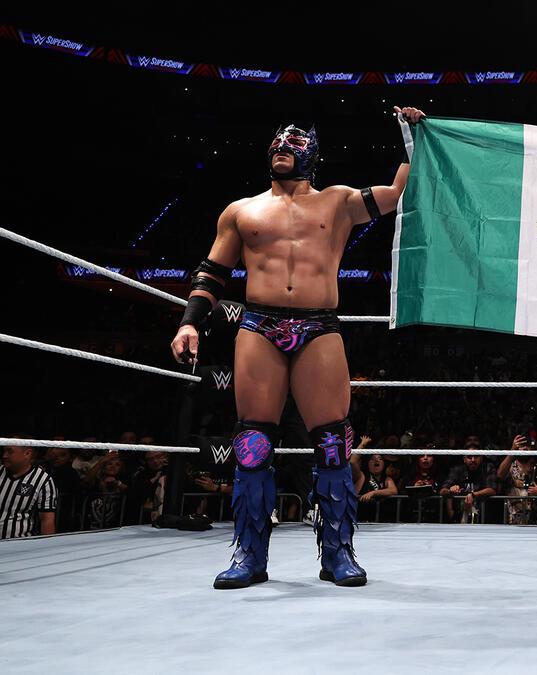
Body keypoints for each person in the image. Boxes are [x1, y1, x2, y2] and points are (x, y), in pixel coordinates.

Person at [169, 106, 426, 588]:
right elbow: (212, 274)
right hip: (258, 325)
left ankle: (338, 553)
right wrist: (190, 325)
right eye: (277, 144)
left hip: (318, 326)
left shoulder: (337, 201)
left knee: (333, 441)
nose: (282, 148)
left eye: (293, 143)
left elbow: (397, 195)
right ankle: (249, 555)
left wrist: (414, 137)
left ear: (312, 154)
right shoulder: (241, 210)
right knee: (252, 443)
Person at [0, 442, 57, 539]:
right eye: (4, 451)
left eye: (10, 451)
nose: (4, 455)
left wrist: (47, 550)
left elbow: (47, 520)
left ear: (27, 453)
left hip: (20, 544)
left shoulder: (43, 480)